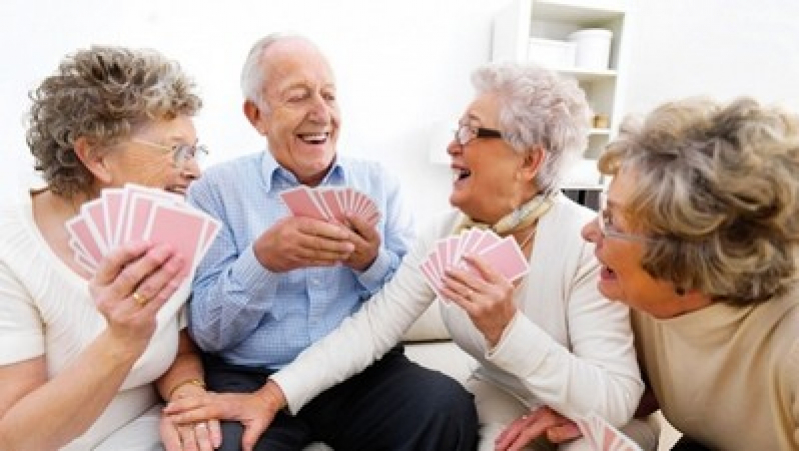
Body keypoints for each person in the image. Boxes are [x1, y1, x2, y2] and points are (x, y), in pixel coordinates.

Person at [169, 62, 652, 450]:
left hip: (581, 407)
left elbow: (615, 398)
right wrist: (269, 397)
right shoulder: (448, 235)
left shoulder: (585, 243)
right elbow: (374, 325)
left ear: (529, 161)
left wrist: (508, 330)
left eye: (470, 131)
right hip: (501, 395)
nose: (451, 145)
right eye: (457, 128)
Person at [182, 33, 478, 450]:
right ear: (256, 115)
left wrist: (371, 261)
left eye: (329, 95)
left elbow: (412, 300)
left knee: (444, 405)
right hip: (252, 376)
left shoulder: (378, 182)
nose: (321, 113)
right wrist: (262, 262)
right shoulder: (214, 192)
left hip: (359, 374)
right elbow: (209, 334)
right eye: (298, 96)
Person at [502, 96, 799, 450]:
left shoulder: (789, 343)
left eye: (611, 220)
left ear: (688, 255)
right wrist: (582, 411)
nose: (588, 232)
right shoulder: (641, 302)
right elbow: (662, 384)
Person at [0, 45, 221, 450]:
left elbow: (178, 344)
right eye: (177, 151)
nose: (194, 170)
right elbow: (14, 440)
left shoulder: (172, 224)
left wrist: (187, 394)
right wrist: (121, 341)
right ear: (96, 156)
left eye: (195, 151)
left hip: (150, 430)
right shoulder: (9, 252)